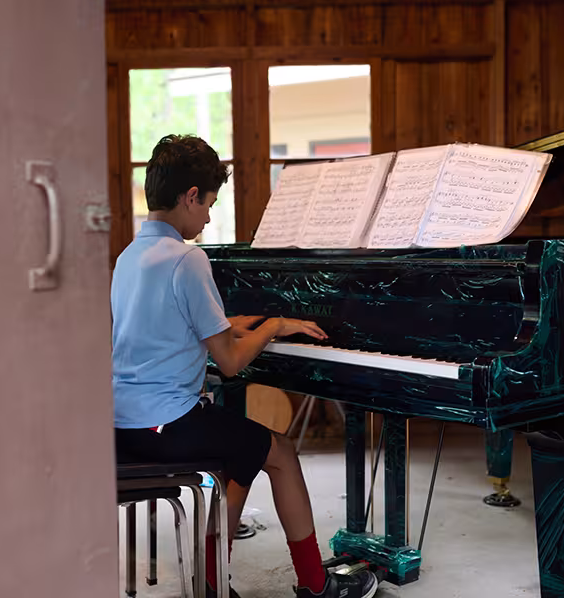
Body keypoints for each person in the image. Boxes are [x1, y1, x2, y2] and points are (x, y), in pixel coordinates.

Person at [111, 134, 379, 598]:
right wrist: (273, 325)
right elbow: (231, 362)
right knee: (278, 451)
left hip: (121, 424)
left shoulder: (128, 257)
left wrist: (238, 322)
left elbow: (176, 325)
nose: (209, 217)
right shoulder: (188, 258)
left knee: (242, 449)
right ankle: (316, 585)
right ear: (190, 196)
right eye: (209, 204)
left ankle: (215, 577)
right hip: (167, 425)